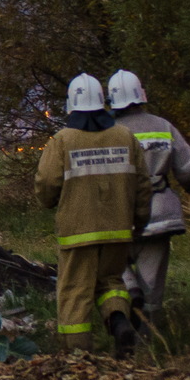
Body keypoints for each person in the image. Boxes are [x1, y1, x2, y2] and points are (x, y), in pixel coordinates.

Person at [35, 74, 152, 356]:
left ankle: (78, 356)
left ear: (71, 105)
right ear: (102, 101)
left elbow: (47, 183)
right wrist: (139, 221)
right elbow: (143, 185)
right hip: (118, 230)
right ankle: (119, 322)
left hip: (78, 233)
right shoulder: (125, 136)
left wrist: (47, 202)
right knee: (111, 282)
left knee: (75, 292)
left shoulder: (63, 140)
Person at [107, 70, 190, 332]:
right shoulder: (163, 126)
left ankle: (128, 288)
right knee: (153, 286)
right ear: (141, 95)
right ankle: (149, 342)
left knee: (113, 263)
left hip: (118, 214)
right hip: (159, 214)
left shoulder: (107, 132)